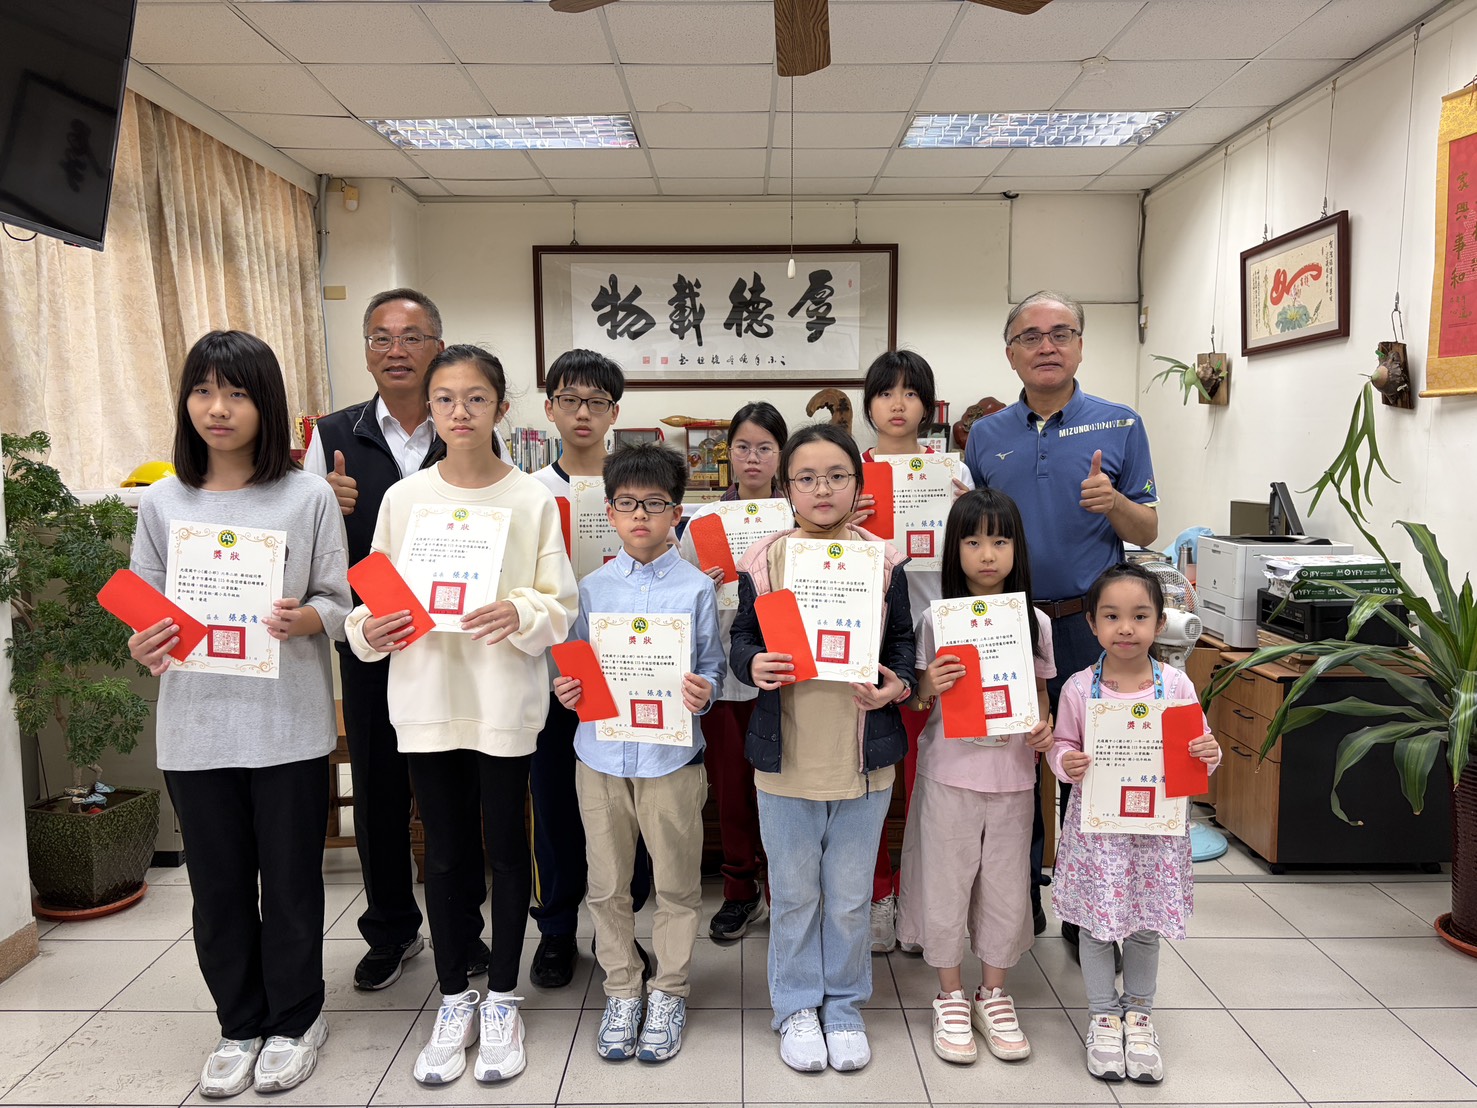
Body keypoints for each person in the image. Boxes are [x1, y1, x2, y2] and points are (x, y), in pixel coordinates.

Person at [345, 345, 578, 1086]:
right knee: (443, 854)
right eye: (445, 399)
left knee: (507, 849)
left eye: (476, 399)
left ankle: (502, 996)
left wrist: (520, 610)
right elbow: (371, 601)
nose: (459, 412)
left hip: (502, 698)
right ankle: (454, 997)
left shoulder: (530, 499)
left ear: (501, 408)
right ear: (430, 408)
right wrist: (370, 628)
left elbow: (561, 605)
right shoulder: (404, 499)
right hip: (427, 698)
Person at [128, 330, 350, 1097]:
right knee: (218, 890)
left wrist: (306, 617)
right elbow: (143, 611)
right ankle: (239, 1023)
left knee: (290, 884)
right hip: (195, 730)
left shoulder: (306, 496)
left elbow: (339, 602)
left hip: (286, 725)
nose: (217, 409)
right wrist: (145, 642)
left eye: (236, 393)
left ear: (267, 404)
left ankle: (295, 1019)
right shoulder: (163, 501)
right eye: (202, 391)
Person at [963, 290, 1159, 943]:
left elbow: (1147, 527)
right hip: (1006, 625)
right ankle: (1016, 905)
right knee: (1013, 768)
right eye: (1031, 336)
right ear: (1010, 353)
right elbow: (971, 531)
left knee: (1087, 766)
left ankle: (1084, 910)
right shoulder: (985, 435)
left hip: (1086, 625)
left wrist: (1113, 503)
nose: (1046, 346)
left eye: (1060, 333)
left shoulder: (1120, 424)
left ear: (1078, 345)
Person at [729, 423, 915, 1074]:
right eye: (806, 478)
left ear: (857, 485)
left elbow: (901, 646)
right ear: (787, 489)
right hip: (787, 759)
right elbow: (743, 638)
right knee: (793, 892)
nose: (822, 489)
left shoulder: (882, 560)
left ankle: (843, 1005)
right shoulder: (765, 560)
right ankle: (796, 1005)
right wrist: (752, 664)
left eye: (837, 476)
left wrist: (896, 685)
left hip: (862, 759)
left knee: (849, 895)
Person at [304, 288, 464, 990]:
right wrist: (322, 501)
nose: (395, 350)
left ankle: (463, 929)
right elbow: (302, 543)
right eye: (380, 338)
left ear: (438, 347)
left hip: (451, 642)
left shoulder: (463, 424)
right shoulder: (332, 434)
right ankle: (393, 929)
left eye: (411, 336)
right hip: (369, 638)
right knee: (377, 792)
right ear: (366, 349)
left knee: (452, 790)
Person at [554, 442, 726, 1063]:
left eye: (654, 504)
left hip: (670, 760)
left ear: (676, 512)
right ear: (610, 512)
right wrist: (568, 689)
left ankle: (670, 989)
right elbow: (574, 669)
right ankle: (623, 988)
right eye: (627, 504)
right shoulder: (591, 589)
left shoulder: (697, 589)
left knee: (677, 885)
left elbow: (713, 667)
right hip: (599, 756)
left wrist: (705, 691)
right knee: (607, 886)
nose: (640, 516)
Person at [1045, 563, 1220, 1084]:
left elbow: (1198, 750)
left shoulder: (1177, 685)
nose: (1126, 628)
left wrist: (1208, 754)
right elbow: (1061, 745)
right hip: (1098, 835)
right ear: (1093, 624)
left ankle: (1139, 1015)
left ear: (1160, 622)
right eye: (1112, 616)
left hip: (1154, 837)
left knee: (1144, 926)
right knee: (1097, 927)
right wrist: (1066, 761)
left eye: (1140, 616)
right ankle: (1103, 1016)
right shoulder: (1079, 688)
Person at [896, 488, 1053, 1065]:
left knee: (1006, 886)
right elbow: (917, 701)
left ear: (1017, 550)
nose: (987, 554)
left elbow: (1040, 696)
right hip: (950, 774)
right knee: (945, 881)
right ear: (954, 550)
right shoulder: (936, 620)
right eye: (973, 541)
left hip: (1012, 777)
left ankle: (993, 993)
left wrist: (1043, 727)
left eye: (1000, 540)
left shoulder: (1034, 622)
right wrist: (928, 684)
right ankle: (950, 994)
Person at [526, 349, 654, 988]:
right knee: (553, 808)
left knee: (627, 812)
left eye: (597, 402)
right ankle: (555, 930)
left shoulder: (637, 488)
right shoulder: (527, 493)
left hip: (631, 671)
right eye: (570, 400)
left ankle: (621, 933)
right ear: (549, 408)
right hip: (555, 673)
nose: (583, 413)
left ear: (614, 412)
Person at [856, 350, 972, 954]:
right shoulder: (849, 471)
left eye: (910, 392)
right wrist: (847, 521)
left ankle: (924, 902)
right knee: (872, 778)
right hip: (871, 644)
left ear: (927, 405)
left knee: (929, 782)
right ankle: (879, 894)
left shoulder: (952, 471)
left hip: (938, 642)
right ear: (869, 404)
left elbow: (979, 557)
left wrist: (966, 513)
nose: (897, 404)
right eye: (885, 392)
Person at [676, 401, 787, 941]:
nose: (753, 458)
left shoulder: (800, 519)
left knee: (783, 787)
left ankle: (784, 889)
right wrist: (699, 583)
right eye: (742, 446)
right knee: (732, 788)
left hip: (785, 671)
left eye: (765, 447)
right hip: (722, 674)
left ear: (781, 455)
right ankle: (741, 891)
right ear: (728, 453)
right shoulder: (702, 522)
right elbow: (680, 599)